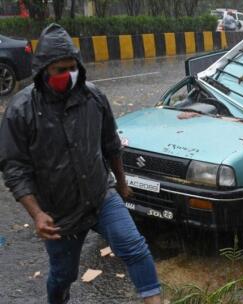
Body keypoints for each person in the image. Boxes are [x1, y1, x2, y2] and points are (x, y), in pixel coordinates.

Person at [0, 24, 161, 304]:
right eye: (60, 70)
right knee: (63, 275)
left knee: (134, 248)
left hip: (101, 196)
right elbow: (14, 168)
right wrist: (37, 214)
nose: (67, 75)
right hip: (59, 212)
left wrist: (121, 184)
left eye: (71, 68)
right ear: (44, 70)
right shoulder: (22, 109)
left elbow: (111, 143)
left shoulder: (94, 97)